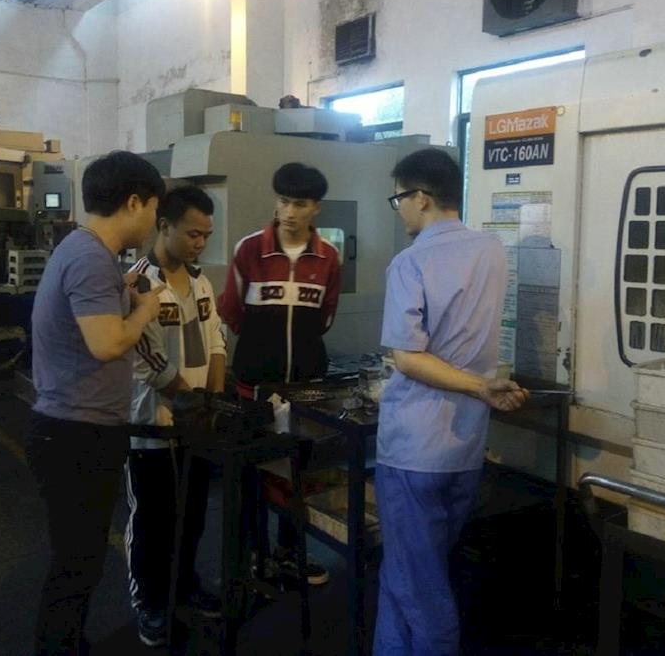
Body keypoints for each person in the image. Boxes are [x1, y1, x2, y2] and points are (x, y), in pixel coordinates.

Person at [373, 148, 529, 656]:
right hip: (464, 446)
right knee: (407, 571)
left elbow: (408, 357)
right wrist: (480, 387)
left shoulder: (410, 262)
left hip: (414, 447)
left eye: (398, 198)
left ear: (421, 197)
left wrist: (479, 387)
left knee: (422, 591)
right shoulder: (492, 250)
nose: (398, 209)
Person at [25, 150, 166, 656]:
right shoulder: (89, 259)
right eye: (155, 210)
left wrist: (121, 294)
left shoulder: (85, 252)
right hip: (75, 436)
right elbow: (107, 344)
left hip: (75, 430)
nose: (154, 222)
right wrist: (146, 307)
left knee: (80, 561)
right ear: (134, 203)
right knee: (76, 564)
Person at [217, 162, 341, 586]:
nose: (289, 212)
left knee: (299, 473)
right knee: (253, 473)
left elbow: (326, 316)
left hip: (305, 389)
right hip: (254, 386)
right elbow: (231, 311)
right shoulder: (249, 250)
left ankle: (290, 553)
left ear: (316, 208)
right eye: (284, 201)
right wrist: (260, 351)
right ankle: (257, 555)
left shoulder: (328, 257)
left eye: (300, 204)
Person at [123, 185, 227, 647]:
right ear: (163, 226)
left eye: (206, 235)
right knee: (152, 520)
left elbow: (217, 339)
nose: (200, 243)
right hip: (154, 428)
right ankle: (148, 601)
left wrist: (214, 401)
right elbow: (146, 362)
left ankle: (184, 584)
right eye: (192, 233)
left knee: (193, 513)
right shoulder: (138, 284)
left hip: (198, 426)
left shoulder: (201, 282)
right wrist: (190, 402)